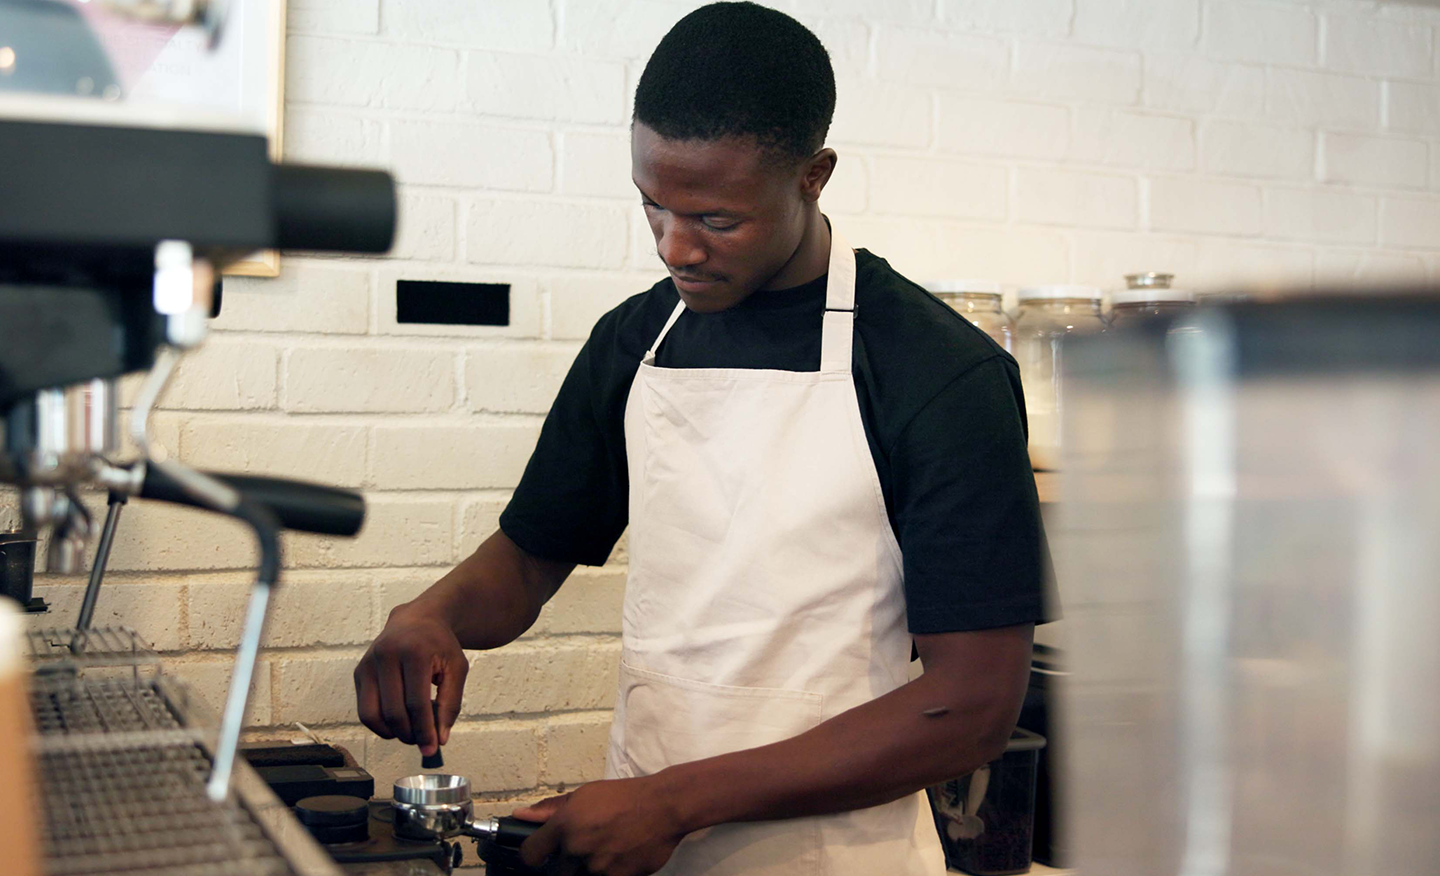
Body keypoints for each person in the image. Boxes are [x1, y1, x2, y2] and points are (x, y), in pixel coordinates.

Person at [353, 3, 1050, 874]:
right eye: (652, 207)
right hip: (644, 839)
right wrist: (432, 616)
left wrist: (676, 800)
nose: (674, 248)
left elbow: (973, 704)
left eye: (717, 220)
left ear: (813, 176)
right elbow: (530, 559)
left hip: (833, 854)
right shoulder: (636, 341)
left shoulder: (936, 371)